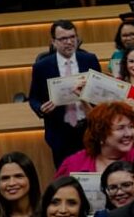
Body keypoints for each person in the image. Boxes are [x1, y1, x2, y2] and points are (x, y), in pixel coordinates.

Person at [28, 20, 103, 166]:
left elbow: (99, 91)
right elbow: (34, 98)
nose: (69, 42)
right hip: (60, 131)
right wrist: (41, 109)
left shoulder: (89, 60)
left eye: (72, 37)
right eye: (63, 39)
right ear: (54, 42)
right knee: (65, 176)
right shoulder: (41, 66)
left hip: (88, 128)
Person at [55, 101, 134, 177]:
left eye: (131, 127)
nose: (129, 133)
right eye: (120, 128)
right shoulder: (74, 164)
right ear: (101, 133)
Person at [0, 153, 39, 217]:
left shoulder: (49, 211)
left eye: (18, 176)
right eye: (5, 178)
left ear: (31, 179)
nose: (11, 183)